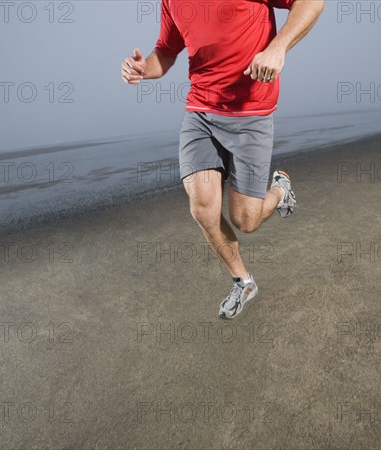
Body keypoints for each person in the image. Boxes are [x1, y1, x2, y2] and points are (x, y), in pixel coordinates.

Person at [121, 0, 324, 318]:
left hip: (251, 114)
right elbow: (166, 51)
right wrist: (144, 68)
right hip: (200, 112)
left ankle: (280, 190)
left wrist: (277, 47)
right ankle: (244, 282)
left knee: (246, 221)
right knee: (202, 207)